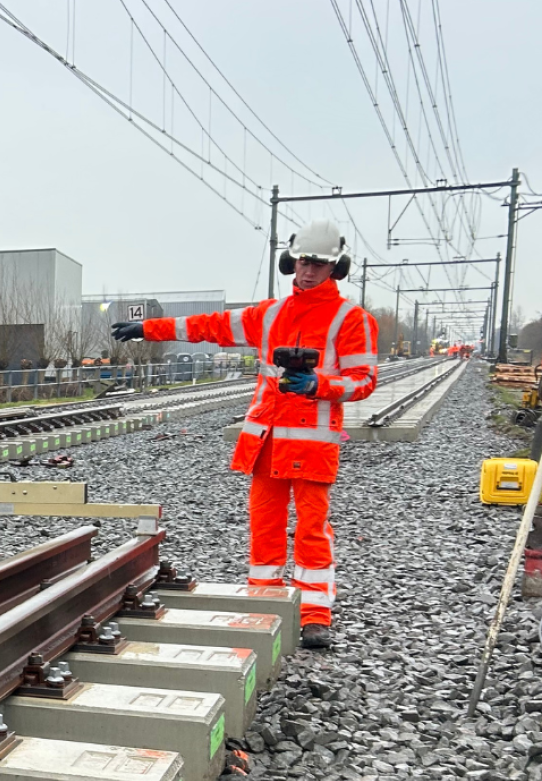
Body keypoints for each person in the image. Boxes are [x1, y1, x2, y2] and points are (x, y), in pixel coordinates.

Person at [112, 219, 378, 649]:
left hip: (310, 444)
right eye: (303, 261)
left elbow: (363, 380)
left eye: (319, 264)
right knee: (264, 528)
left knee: (312, 530)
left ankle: (315, 615)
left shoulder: (352, 320)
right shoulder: (269, 314)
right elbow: (208, 326)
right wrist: (148, 329)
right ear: (290, 261)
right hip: (267, 442)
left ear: (337, 268)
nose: (308, 271)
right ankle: (264, 604)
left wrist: (319, 386)